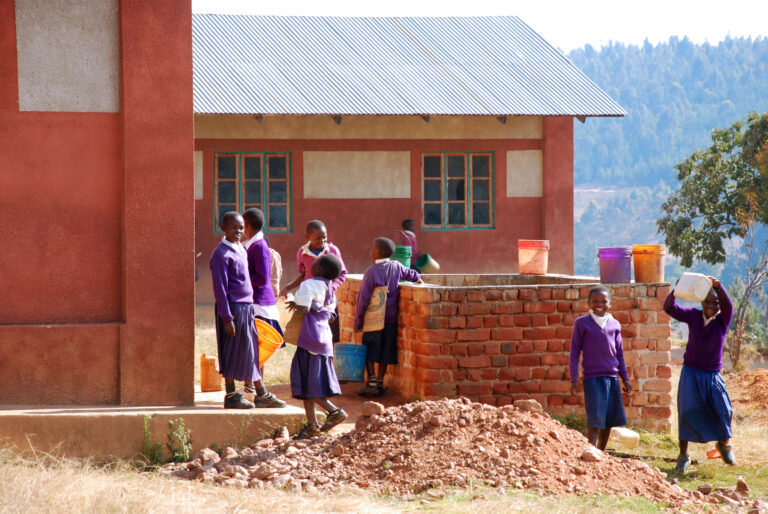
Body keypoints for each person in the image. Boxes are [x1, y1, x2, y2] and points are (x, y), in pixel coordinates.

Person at [210, 211, 286, 409]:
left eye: (241, 228)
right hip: (233, 309)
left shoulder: (241, 249)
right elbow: (220, 288)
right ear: (223, 228)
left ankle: (261, 394)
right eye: (233, 227)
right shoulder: (221, 254)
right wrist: (227, 318)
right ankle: (231, 395)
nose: (238, 231)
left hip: (247, 307)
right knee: (231, 350)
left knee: (250, 351)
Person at [663, 276, 735, 472]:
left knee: (724, 409)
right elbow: (669, 308)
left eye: (716, 303)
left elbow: (729, 306)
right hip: (691, 372)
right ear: (701, 302)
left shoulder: (722, 321)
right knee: (687, 412)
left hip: (711, 374)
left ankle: (724, 444)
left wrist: (718, 286)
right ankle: (683, 455)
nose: (712, 305)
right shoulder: (694, 317)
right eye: (708, 301)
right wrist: (676, 290)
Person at [287, 254, 348, 439]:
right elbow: (329, 316)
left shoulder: (309, 284)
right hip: (323, 339)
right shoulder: (330, 289)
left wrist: (293, 301)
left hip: (309, 338)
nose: (311, 266)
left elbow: (304, 309)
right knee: (309, 382)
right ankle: (312, 425)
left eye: (314, 264)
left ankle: (334, 411)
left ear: (319, 270)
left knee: (308, 383)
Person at [354, 237, 423, 396]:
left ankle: (371, 383)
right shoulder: (396, 266)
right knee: (385, 351)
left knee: (369, 349)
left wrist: (358, 321)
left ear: (377, 252)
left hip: (373, 320)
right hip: (391, 320)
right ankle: (379, 383)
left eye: (372, 249)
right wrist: (418, 279)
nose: (370, 252)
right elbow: (411, 273)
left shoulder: (371, 272)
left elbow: (363, 299)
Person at [569, 285, 633, 450]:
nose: (599, 304)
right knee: (595, 418)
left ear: (610, 303)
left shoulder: (614, 324)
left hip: (612, 378)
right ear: (588, 303)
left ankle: (601, 452)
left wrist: (624, 378)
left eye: (603, 301)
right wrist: (573, 378)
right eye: (594, 301)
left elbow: (619, 354)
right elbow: (574, 352)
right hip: (592, 378)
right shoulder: (582, 323)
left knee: (609, 420)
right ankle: (591, 450)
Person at [281, 220, 347, 342]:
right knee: (310, 331)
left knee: (330, 331)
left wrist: (332, 288)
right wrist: (288, 287)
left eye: (324, 237)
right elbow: (303, 275)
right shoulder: (302, 253)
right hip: (309, 300)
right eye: (318, 238)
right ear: (308, 237)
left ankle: (328, 356)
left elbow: (342, 273)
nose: (322, 241)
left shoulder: (332, 250)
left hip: (327, 298)